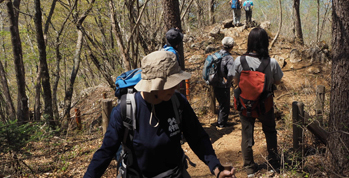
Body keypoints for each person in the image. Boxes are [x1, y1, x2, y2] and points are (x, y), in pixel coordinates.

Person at [84, 50, 236, 178]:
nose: (176, 86)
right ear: (152, 86)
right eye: (170, 83)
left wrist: (216, 168)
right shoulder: (125, 111)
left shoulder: (178, 102)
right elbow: (105, 153)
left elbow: (197, 137)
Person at [233, 28, 283, 177]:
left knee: (246, 135)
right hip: (265, 105)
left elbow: (236, 81)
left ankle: (249, 168)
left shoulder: (239, 60)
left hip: (245, 105)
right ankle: (273, 163)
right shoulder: (272, 62)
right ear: (265, 43)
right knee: (270, 132)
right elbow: (279, 81)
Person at [213, 37, 235, 130]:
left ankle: (220, 121)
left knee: (221, 102)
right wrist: (229, 81)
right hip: (223, 84)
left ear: (222, 45)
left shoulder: (216, 55)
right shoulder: (229, 58)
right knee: (224, 104)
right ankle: (221, 124)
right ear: (231, 47)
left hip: (214, 82)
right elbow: (231, 73)